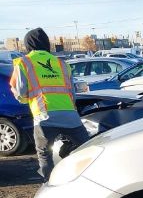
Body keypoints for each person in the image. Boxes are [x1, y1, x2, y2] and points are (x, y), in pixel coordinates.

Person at [9, 27, 89, 179]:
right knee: (87, 149)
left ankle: (49, 184)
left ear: (28, 45)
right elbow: (71, 92)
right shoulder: (62, 64)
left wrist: (28, 100)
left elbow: (19, 93)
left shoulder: (24, 62)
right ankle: (87, 178)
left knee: (45, 154)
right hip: (70, 115)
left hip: (44, 115)